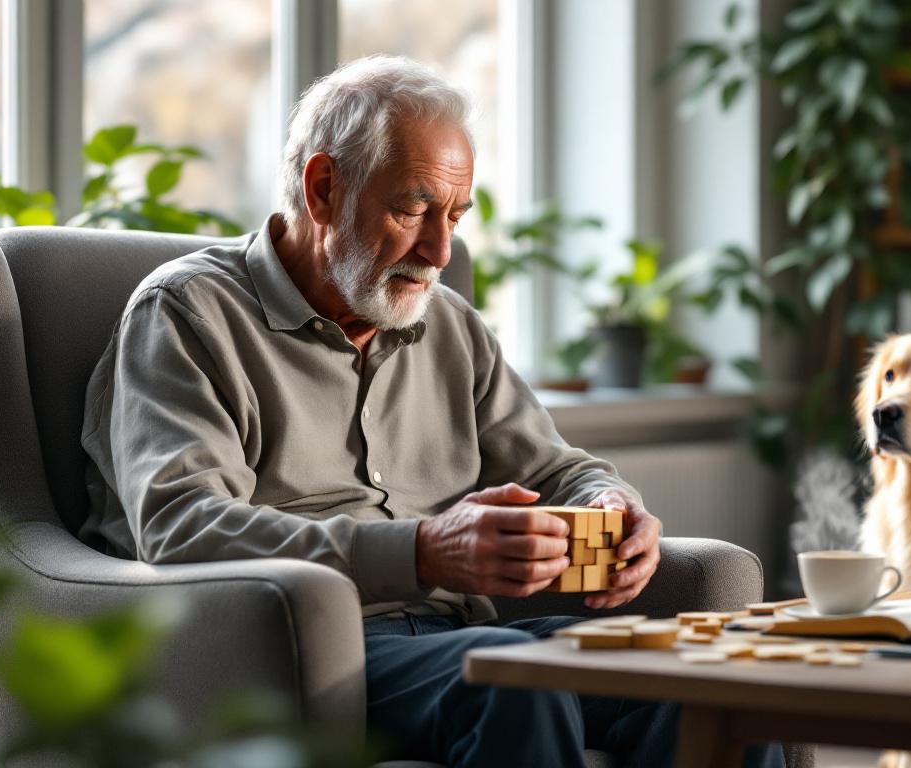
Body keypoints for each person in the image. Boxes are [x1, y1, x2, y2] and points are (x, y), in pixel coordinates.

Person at [80, 55, 781, 768]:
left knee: (710, 683)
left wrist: (611, 504)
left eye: (454, 216)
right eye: (413, 210)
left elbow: (557, 468)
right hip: (290, 657)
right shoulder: (188, 313)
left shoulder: (450, 324)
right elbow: (180, 526)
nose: (441, 250)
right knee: (515, 677)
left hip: (458, 639)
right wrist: (423, 551)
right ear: (323, 189)